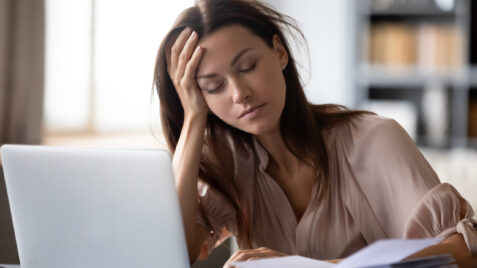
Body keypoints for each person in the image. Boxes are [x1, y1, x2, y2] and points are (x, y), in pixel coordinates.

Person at [153, 0, 477, 267]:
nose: (239, 93)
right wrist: (194, 117)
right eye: (214, 86)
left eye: (247, 66)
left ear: (279, 52)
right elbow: (173, 253)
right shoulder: (230, 162)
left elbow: (464, 254)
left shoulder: (374, 139)